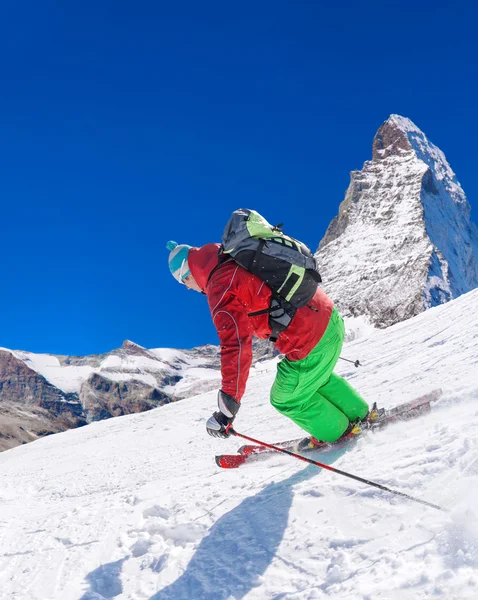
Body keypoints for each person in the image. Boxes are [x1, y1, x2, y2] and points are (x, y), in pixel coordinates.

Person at [166, 239, 371, 444]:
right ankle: (361, 415)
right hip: (329, 317)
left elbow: (235, 346)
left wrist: (227, 408)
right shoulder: (234, 255)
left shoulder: (220, 286)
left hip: (309, 339)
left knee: (286, 397)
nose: (188, 288)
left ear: (188, 273)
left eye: (183, 282)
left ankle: (339, 432)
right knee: (315, 379)